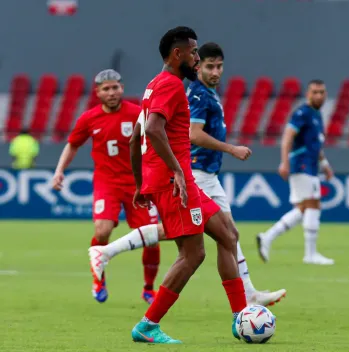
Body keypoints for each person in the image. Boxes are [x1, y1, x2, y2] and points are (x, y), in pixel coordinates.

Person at [89, 42, 286, 307]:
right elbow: (189, 133)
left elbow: (137, 137)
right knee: (193, 246)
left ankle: (246, 296)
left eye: (219, 66)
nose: (215, 71)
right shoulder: (194, 94)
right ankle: (112, 258)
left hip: (206, 174)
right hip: (194, 172)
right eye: (207, 65)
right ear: (195, 64)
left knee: (225, 235)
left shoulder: (199, 92)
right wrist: (230, 149)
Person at [91, 27, 246, 344]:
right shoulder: (171, 86)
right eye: (194, 52)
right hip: (175, 183)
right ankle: (148, 325)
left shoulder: (152, 87)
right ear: (178, 54)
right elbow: (152, 128)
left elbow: (136, 139)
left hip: (173, 180)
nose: (197, 58)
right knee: (192, 255)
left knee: (228, 235)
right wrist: (175, 171)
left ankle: (241, 317)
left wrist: (139, 184)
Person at [52, 69, 161, 304]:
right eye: (106, 89)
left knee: (151, 237)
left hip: (138, 184)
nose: (111, 93)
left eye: (115, 87)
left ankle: (149, 288)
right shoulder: (89, 118)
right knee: (102, 231)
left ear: (122, 88)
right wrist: (60, 171)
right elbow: (72, 145)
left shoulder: (137, 113)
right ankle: (98, 278)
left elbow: (156, 140)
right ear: (98, 92)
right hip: (107, 183)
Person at [256, 80, 335, 265]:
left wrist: (325, 164)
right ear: (308, 94)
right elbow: (287, 137)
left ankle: (267, 237)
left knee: (302, 209)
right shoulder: (303, 113)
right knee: (313, 204)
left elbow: (316, 146)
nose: (318, 96)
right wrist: (284, 163)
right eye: (315, 92)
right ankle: (310, 254)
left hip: (310, 166)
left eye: (322, 92)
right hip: (302, 165)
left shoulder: (317, 116)